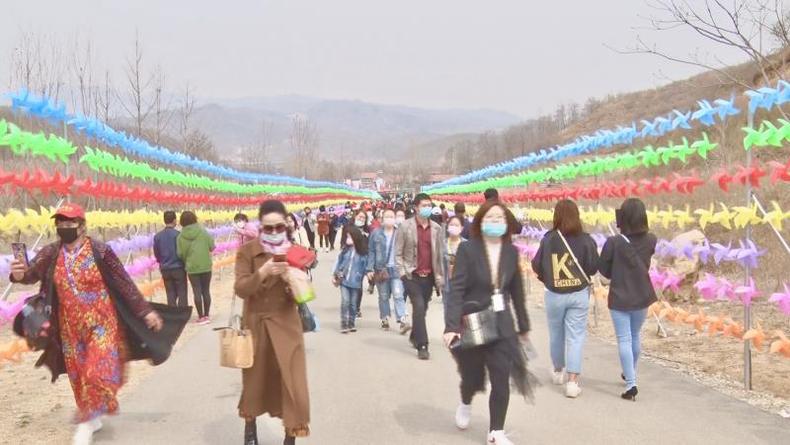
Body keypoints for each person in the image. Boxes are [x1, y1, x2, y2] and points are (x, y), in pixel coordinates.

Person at [9, 203, 165, 445]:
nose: (64, 227)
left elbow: (124, 283)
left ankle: (84, 423)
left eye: (69, 223)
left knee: (96, 369)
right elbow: (30, 274)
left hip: (103, 323)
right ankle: (92, 417)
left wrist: (145, 311)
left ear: (82, 226)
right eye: (60, 223)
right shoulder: (51, 253)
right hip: (70, 327)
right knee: (78, 374)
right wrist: (19, 275)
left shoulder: (101, 251)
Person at [444, 200, 530, 445]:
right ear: (481, 221)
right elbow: (457, 289)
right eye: (491, 218)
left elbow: (516, 291)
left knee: (501, 375)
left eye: (500, 219)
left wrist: (523, 325)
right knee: (471, 375)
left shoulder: (511, 252)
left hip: (502, 324)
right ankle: (466, 401)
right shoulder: (468, 250)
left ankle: (496, 431)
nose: (496, 222)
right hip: (474, 321)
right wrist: (451, 327)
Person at [234, 200, 310, 445]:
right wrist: (263, 272)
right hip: (256, 325)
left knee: (293, 382)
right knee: (255, 381)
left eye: (279, 227)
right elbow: (241, 288)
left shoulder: (296, 251)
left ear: (286, 225)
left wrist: (292, 278)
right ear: (260, 227)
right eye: (269, 228)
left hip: (287, 326)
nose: (275, 232)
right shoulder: (247, 251)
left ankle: (291, 435)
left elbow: (305, 295)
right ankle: (250, 428)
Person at [531, 199, 598, 398]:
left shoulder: (549, 239)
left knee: (556, 333)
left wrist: (547, 279)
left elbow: (536, 265)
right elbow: (593, 267)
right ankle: (573, 382)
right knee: (576, 337)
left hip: (554, 294)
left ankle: (558, 370)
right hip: (578, 294)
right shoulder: (586, 240)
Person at [598, 198, 657, 401]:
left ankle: (631, 383)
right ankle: (629, 371)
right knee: (635, 335)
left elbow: (604, 271)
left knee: (624, 339)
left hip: (620, 297)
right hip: (642, 295)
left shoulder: (613, 242)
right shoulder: (652, 240)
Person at [395, 193, 444, 360]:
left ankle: (415, 334)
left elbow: (439, 255)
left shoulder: (437, 228)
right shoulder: (405, 227)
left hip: (429, 276)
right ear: (416, 207)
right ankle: (423, 345)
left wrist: (440, 276)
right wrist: (402, 273)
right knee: (419, 306)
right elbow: (398, 253)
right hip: (411, 275)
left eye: (429, 205)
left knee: (422, 310)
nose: (427, 208)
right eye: (424, 205)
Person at [366, 208, 410, 333]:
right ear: (382, 219)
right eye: (387, 217)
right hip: (381, 270)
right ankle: (384, 318)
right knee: (384, 296)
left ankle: (402, 320)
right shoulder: (376, 233)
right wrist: (369, 269)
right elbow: (371, 251)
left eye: (392, 216)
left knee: (398, 294)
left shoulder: (400, 233)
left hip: (396, 269)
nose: (390, 219)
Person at [177, 211, 215, 325]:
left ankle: (201, 316)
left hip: (192, 267)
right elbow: (212, 246)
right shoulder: (203, 232)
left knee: (197, 291)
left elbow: (179, 254)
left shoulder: (180, 236)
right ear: (195, 219)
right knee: (206, 290)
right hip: (205, 265)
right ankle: (207, 315)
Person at [332, 223, 370, 333]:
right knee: (345, 301)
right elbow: (339, 263)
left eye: (349, 237)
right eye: (347, 237)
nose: (347, 239)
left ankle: (351, 322)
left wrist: (368, 274)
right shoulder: (345, 251)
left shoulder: (363, 254)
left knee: (353, 304)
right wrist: (335, 275)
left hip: (356, 282)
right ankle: (344, 323)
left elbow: (366, 267)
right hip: (344, 281)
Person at [154, 210, 188, 307]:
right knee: (182, 291)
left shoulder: (158, 236)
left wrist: (161, 261)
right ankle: (182, 313)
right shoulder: (178, 235)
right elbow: (182, 251)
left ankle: (173, 314)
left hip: (165, 268)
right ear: (174, 220)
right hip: (178, 267)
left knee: (170, 292)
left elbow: (157, 253)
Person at [442, 215, 467, 307]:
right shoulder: (442, 244)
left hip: (463, 286)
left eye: (457, 225)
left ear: (462, 228)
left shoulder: (466, 244)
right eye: (452, 225)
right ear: (447, 227)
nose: (454, 227)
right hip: (447, 285)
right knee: (448, 312)